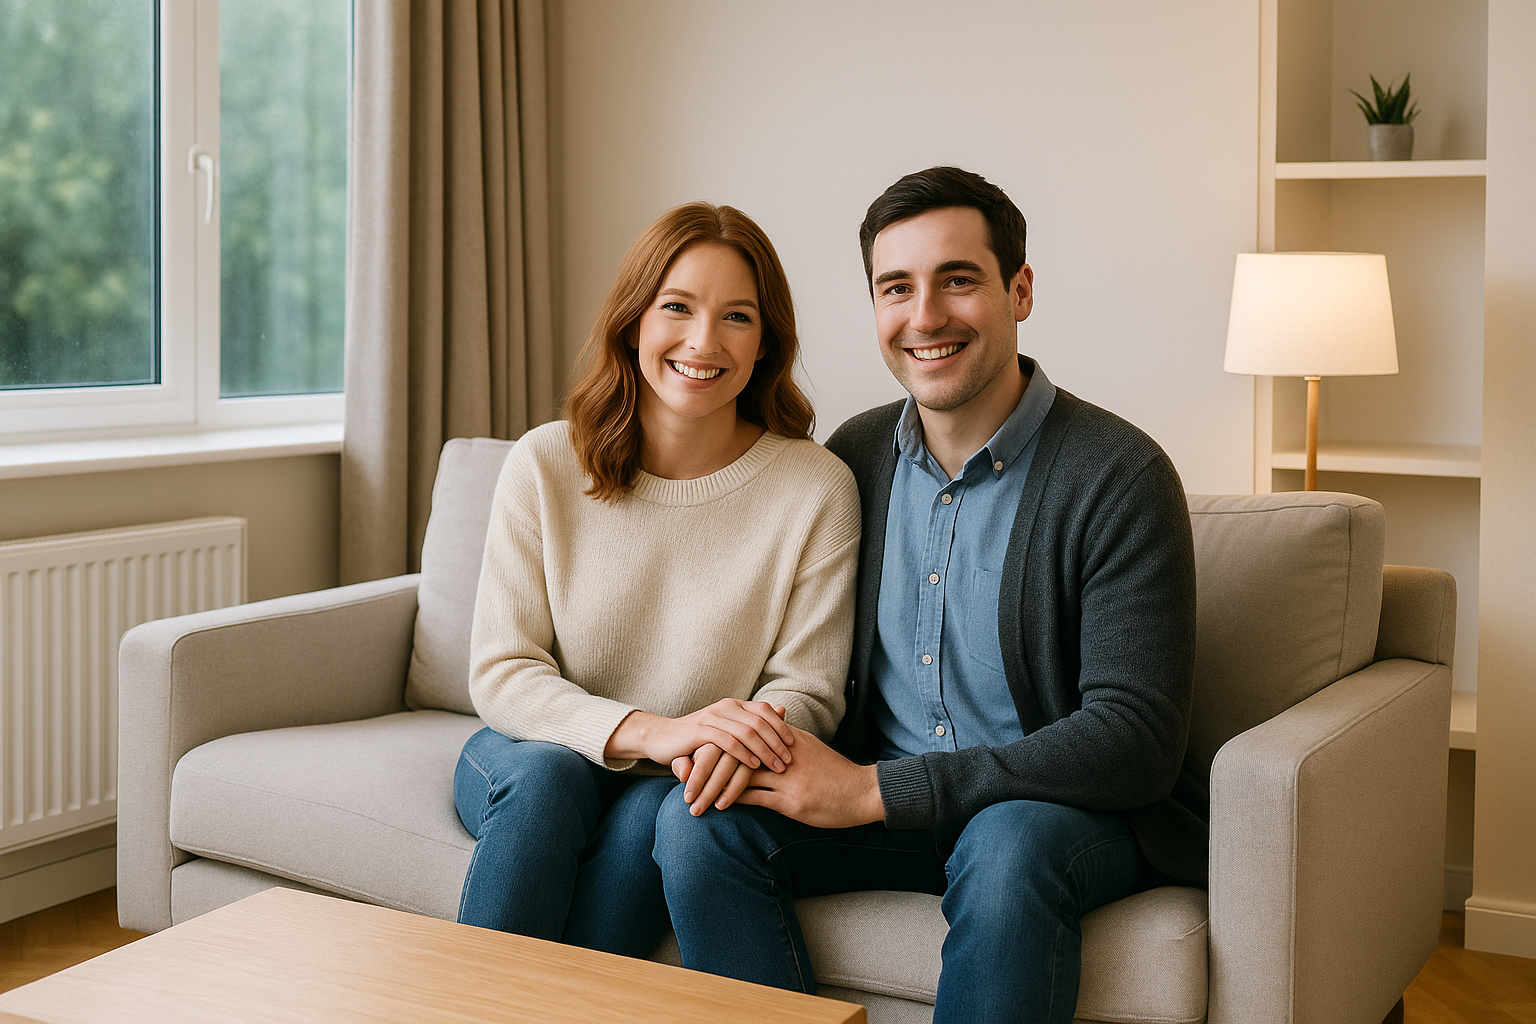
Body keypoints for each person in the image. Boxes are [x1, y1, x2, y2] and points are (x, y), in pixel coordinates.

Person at [655, 167, 1203, 1023]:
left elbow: (1136, 739)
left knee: (1009, 842)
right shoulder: (854, 459)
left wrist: (876, 793)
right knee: (698, 825)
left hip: (1057, 817)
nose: (925, 317)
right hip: (890, 803)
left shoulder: (1119, 474)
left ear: (1019, 291)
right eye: (896, 288)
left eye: (958, 280)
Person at [455, 202, 860, 958]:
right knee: (549, 785)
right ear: (634, 320)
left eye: (737, 316)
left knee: (659, 815)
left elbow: (807, 689)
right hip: (537, 750)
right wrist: (657, 731)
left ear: (765, 340)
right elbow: (503, 671)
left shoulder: (816, 487)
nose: (704, 342)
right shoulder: (545, 463)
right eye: (677, 306)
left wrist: (713, 751)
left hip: (681, 778)